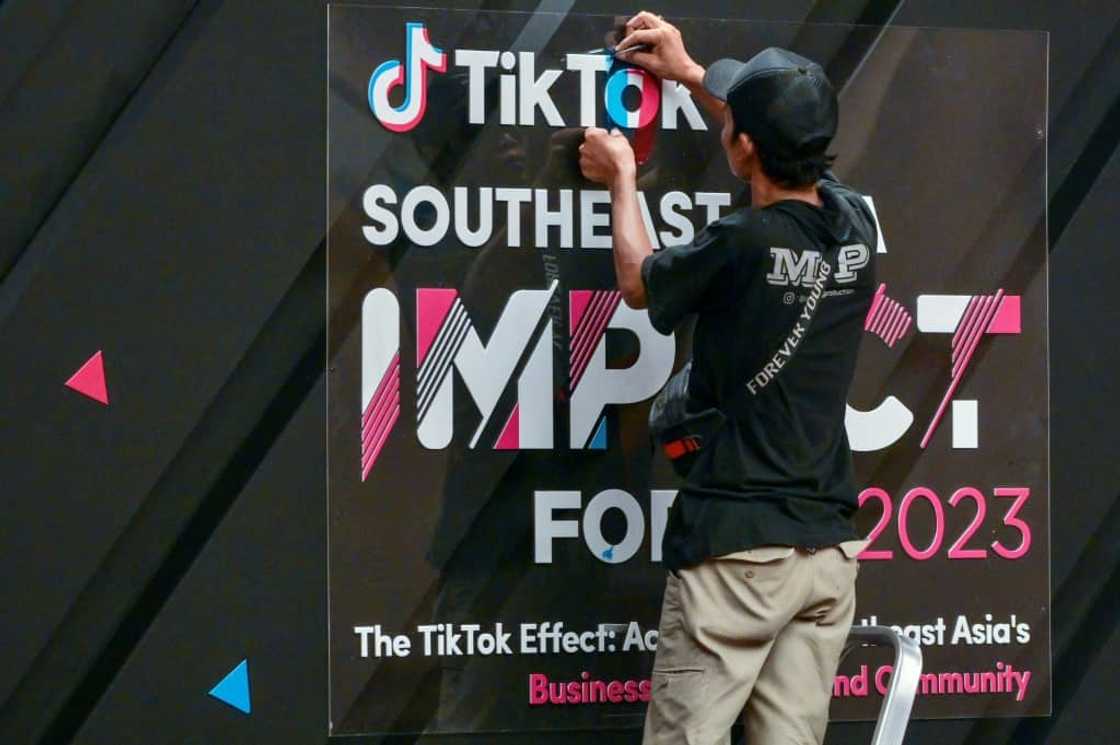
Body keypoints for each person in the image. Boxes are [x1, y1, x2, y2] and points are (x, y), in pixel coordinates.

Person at [579, 12, 878, 745]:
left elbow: (640, 283)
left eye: (734, 121)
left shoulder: (741, 242)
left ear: (743, 146)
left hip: (737, 555)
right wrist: (689, 73)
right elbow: (777, 145)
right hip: (825, 557)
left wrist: (621, 178)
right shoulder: (857, 227)